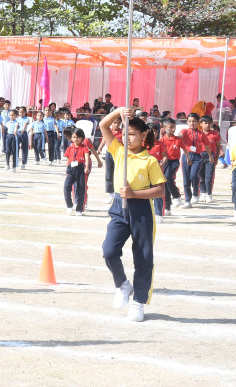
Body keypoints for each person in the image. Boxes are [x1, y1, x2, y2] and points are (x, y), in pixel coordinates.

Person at [99, 107, 166, 323]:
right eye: (125, 134)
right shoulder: (119, 151)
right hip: (119, 208)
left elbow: (160, 190)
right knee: (109, 250)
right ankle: (122, 284)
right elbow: (103, 125)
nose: (128, 138)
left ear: (143, 135)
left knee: (143, 257)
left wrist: (134, 194)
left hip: (141, 210)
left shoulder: (150, 160)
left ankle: (138, 302)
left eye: (133, 134)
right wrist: (118, 111)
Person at [180, 113, 209, 208]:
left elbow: (207, 145)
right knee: (186, 179)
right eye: (189, 121)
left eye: (194, 121)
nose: (192, 123)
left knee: (193, 175)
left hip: (197, 157)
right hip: (186, 155)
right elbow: (180, 135)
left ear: (198, 122)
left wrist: (211, 156)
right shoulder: (185, 131)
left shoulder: (201, 134)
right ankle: (187, 200)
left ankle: (196, 192)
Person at [155, 119, 182, 216]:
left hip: (174, 161)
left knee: (168, 177)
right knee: (164, 184)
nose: (173, 129)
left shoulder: (178, 139)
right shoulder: (161, 141)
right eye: (170, 127)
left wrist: (188, 158)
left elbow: (185, 149)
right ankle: (167, 207)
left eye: (174, 127)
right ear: (164, 128)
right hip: (164, 162)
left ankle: (176, 195)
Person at [63, 128, 91, 216]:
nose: (76, 139)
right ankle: (69, 205)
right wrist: (67, 169)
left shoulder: (84, 148)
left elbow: (87, 157)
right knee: (66, 187)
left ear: (82, 138)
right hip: (71, 170)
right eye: (74, 137)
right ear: (71, 138)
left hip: (80, 169)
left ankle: (79, 209)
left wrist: (87, 167)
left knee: (81, 190)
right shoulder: (69, 148)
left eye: (78, 137)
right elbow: (68, 159)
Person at [199, 115, 222, 203]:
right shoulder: (198, 134)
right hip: (200, 155)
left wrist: (216, 158)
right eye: (205, 123)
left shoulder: (215, 134)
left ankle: (209, 194)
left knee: (209, 176)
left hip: (210, 156)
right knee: (201, 175)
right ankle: (203, 193)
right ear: (201, 124)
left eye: (209, 123)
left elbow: (218, 146)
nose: (207, 125)